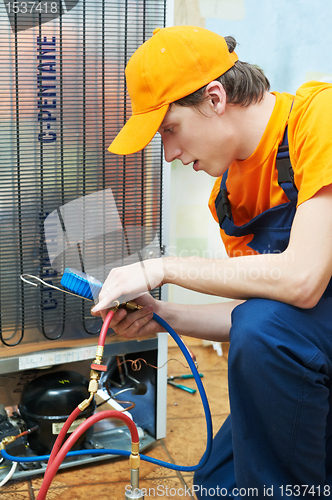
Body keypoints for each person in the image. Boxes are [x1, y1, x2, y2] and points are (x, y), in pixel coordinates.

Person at [91, 25, 332, 498]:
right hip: (312, 338)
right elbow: (256, 315)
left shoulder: (318, 116)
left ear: (216, 98)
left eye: (170, 131)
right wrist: (162, 317)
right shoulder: (227, 199)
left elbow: (302, 281)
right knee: (220, 483)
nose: (172, 154)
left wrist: (162, 266)